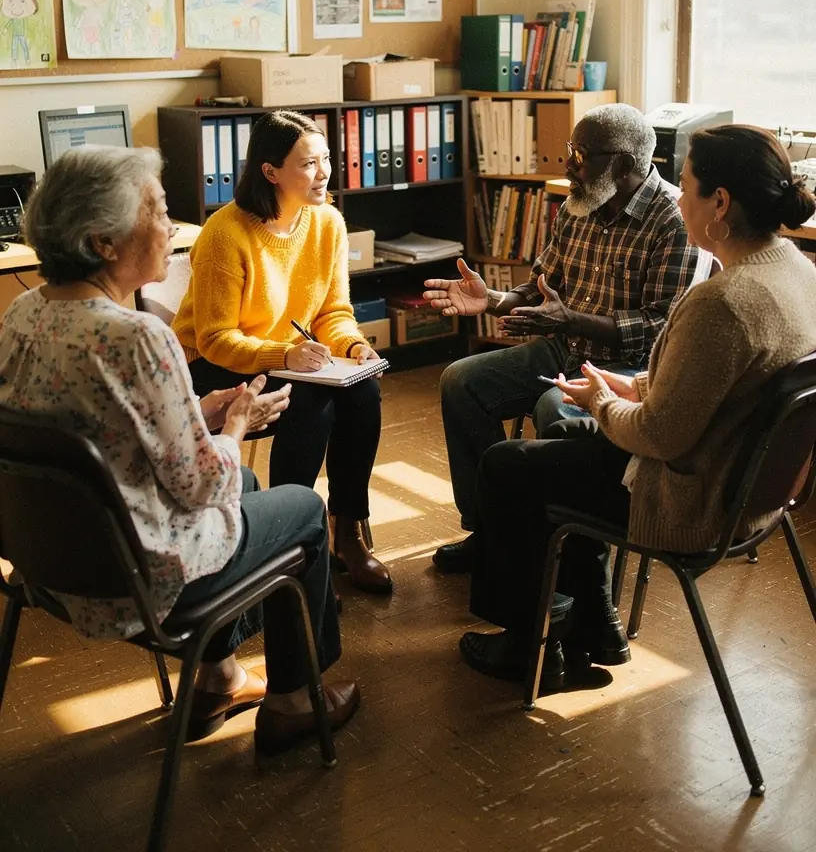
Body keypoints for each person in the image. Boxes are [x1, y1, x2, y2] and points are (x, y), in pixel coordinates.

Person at [0, 146, 359, 752]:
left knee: (247, 489)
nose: (171, 229)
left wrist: (202, 409)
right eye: (159, 212)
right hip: (141, 582)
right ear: (104, 242)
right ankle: (296, 699)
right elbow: (203, 485)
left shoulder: (22, 314)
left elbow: (103, 431)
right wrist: (237, 424)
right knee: (299, 507)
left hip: (54, 566)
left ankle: (218, 678)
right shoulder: (139, 337)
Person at [458, 125, 816, 688]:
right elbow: (713, 383)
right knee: (561, 447)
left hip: (690, 499)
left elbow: (659, 436)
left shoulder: (721, 300)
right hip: (745, 488)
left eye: (688, 184)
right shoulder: (796, 268)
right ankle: (592, 625)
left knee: (510, 465)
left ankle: (529, 648)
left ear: (719, 202)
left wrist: (602, 400)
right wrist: (631, 389)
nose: (678, 195)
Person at [424, 104, 703, 573]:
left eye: (580, 153)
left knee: (555, 410)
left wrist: (569, 320)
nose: (568, 164)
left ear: (623, 165)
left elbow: (661, 326)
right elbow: (542, 286)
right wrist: (492, 298)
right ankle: (492, 533)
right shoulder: (581, 204)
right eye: (569, 150)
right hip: (565, 348)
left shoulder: (675, 221)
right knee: (461, 381)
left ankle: (568, 559)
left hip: (633, 367)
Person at [172, 110, 392, 595]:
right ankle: (294, 552)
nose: (324, 172)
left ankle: (348, 532)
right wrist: (283, 357)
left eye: (326, 160)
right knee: (309, 405)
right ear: (270, 172)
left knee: (362, 393)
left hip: (288, 360)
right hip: (213, 366)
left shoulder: (328, 223)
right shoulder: (225, 233)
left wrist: (353, 345)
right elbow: (214, 338)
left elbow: (333, 311)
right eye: (308, 164)